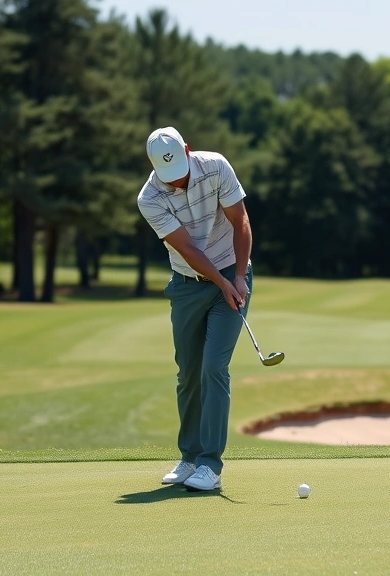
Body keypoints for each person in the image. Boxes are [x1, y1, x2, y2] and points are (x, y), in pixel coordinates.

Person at [137, 126, 253, 491]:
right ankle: (189, 457)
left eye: (181, 173)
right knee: (188, 373)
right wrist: (220, 283)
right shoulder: (150, 197)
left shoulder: (216, 167)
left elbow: (241, 220)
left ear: (187, 149)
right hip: (188, 284)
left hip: (231, 272)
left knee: (214, 367)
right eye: (168, 178)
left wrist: (236, 276)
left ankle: (210, 466)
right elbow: (187, 249)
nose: (177, 183)